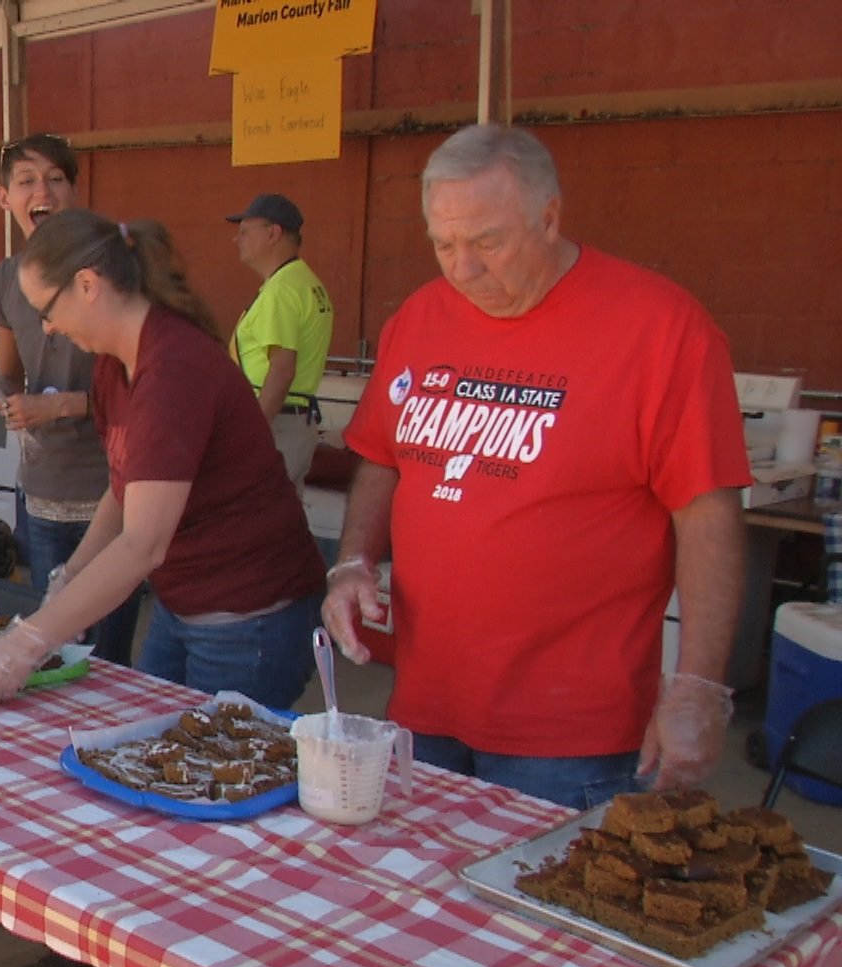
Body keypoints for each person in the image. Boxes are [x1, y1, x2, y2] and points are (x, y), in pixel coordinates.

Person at [0, 208, 326, 967]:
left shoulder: (174, 368)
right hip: (187, 599)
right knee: (138, 776)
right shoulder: (115, 366)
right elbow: (124, 491)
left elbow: (148, 539)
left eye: (46, 307)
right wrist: (75, 570)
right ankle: (113, 942)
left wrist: (32, 637)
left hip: (252, 609)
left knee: (214, 793)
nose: (43, 325)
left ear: (89, 285)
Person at [322, 124, 751, 810]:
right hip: (424, 706)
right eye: (443, 244)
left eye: (487, 242)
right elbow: (383, 455)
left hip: (571, 737)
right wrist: (353, 563)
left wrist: (700, 685)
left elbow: (707, 512)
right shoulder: (420, 318)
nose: (461, 269)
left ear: (549, 219)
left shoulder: (660, 329)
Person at [0, 133, 139, 665]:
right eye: (26, 181)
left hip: (111, 491)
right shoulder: (2, 279)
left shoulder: (116, 268)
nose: (41, 190)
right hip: (42, 490)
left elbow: (145, 391)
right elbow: (8, 373)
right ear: (5, 199)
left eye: (56, 178)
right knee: (52, 649)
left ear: (75, 190)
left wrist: (59, 406)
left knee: (106, 659)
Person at [226, 193, 332, 486]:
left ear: (273, 233)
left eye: (245, 231)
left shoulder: (282, 291)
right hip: (292, 420)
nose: (238, 239)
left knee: (257, 518)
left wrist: (252, 432)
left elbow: (282, 370)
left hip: (277, 423)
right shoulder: (304, 282)